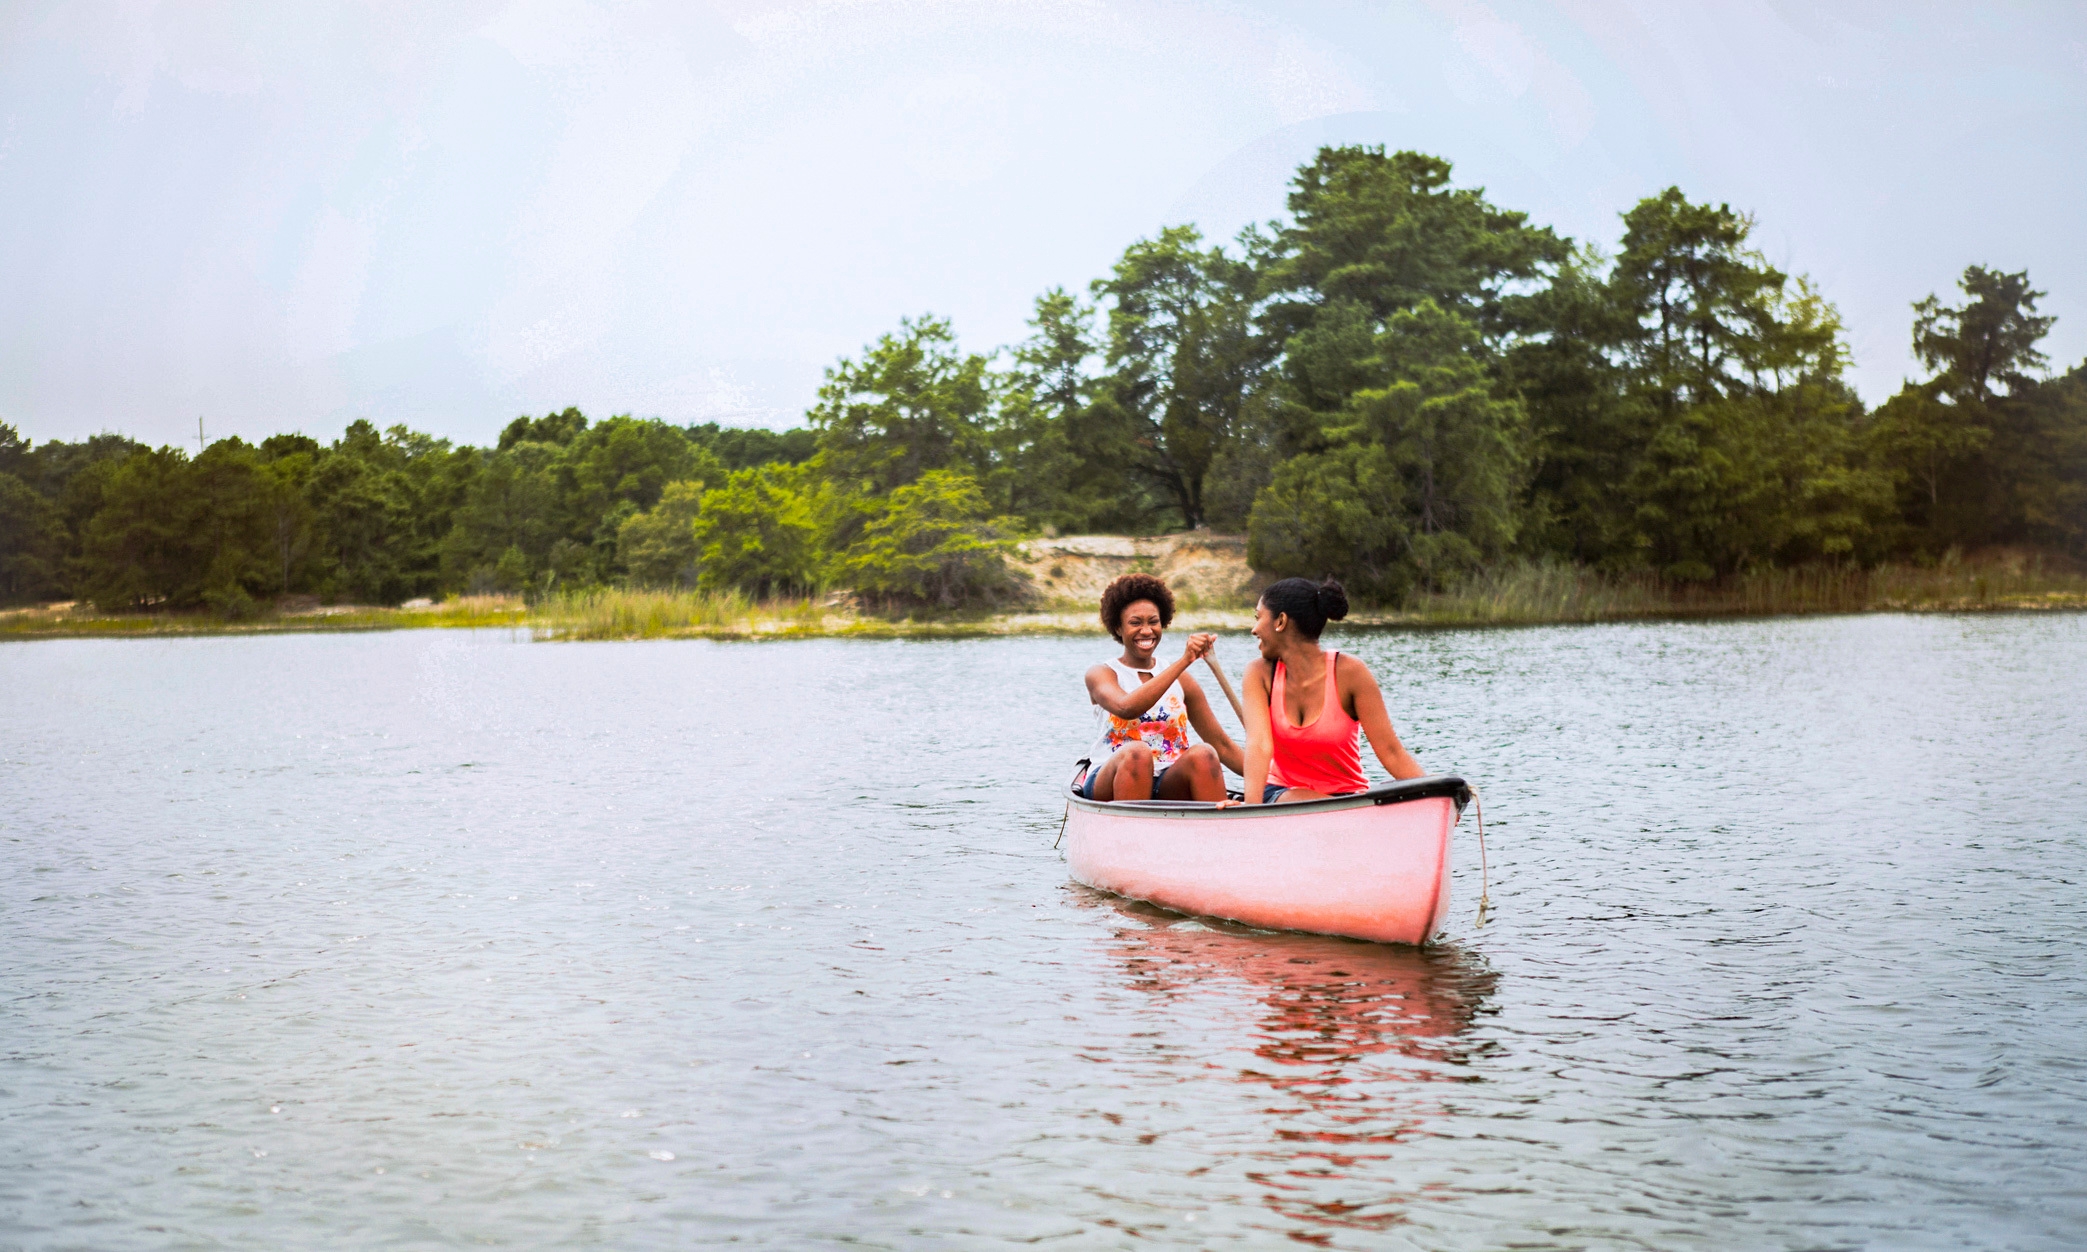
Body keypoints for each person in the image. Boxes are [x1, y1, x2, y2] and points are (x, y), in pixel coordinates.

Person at [1242, 577, 1425, 804]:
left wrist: (1439, 798)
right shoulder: (1258, 674)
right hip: (1280, 796)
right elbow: (1259, 745)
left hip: (1346, 802)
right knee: (1295, 799)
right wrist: (1250, 809)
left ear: (1280, 621)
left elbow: (1391, 751)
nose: (1254, 629)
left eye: (1258, 618)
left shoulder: (1351, 673)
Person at [1080, 573, 1242, 802]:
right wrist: (1185, 660)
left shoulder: (1182, 680)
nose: (1146, 631)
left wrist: (1276, 776)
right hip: (1113, 777)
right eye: (1135, 623)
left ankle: (1219, 831)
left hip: (1168, 780)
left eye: (1153, 622)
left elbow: (1223, 746)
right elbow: (1127, 708)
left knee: (1204, 753)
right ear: (1118, 628)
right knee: (1137, 753)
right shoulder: (1102, 674)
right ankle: (1130, 833)